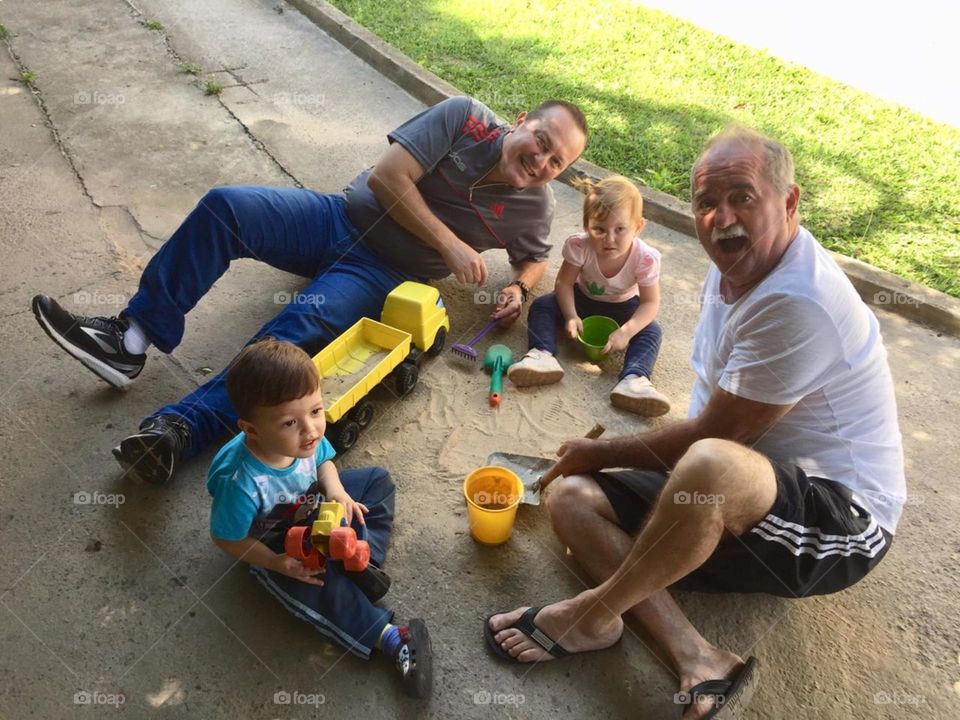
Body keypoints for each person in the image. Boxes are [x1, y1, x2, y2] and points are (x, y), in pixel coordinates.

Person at [484, 127, 906, 719]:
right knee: (572, 500)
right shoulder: (734, 266)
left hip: (837, 519)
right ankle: (700, 656)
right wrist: (632, 479)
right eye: (707, 202)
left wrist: (599, 452)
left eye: (742, 196)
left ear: (789, 203)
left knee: (709, 461)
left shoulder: (798, 300)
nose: (721, 217)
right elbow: (715, 420)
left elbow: (723, 437)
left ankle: (592, 614)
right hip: (745, 487)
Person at [31, 96, 588, 483]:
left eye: (555, 161)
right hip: (336, 218)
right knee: (227, 207)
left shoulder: (535, 205)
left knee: (291, 335)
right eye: (539, 140)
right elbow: (386, 177)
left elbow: (536, 254)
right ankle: (131, 338)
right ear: (519, 122)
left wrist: (518, 285)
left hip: (379, 274)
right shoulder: (463, 118)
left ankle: (181, 430)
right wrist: (449, 244)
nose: (540, 160)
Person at [208, 339, 431, 698]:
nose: (311, 430)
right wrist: (275, 562)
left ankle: (359, 558)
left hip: (314, 502)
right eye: (290, 422)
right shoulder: (243, 483)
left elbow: (325, 461)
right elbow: (226, 537)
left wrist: (338, 491)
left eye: (315, 411)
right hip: (274, 538)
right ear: (251, 430)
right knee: (313, 584)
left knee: (377, 482)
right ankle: (388, 638)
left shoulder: (306, 442)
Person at [506, 175, 671, 416]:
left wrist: (626, 331)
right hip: (581, 299)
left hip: (624, 306)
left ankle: (635, 379)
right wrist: (571, 315)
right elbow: (563, 283)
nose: (609, 239)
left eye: (620, 229)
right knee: (543, 305)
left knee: (651, 331)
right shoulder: (580, 246)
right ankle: (542, 355)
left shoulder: (645, 258)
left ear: (638, 227)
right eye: (599, 229)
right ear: (586, 226)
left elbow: (650, 302)